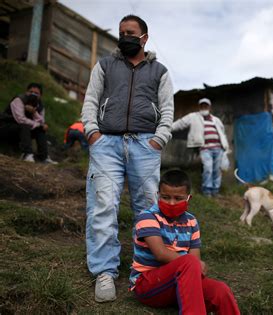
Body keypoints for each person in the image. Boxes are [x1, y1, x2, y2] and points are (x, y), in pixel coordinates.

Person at [81, 15, 174, 302]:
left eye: (130, 33)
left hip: (145, 146)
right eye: (121, 33)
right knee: (102, 206)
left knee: (147, 210)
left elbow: (167, 109)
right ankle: (105, 271)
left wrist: (159, 139)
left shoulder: (160, 71)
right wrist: (92, 133)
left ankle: (144, 269)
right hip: (106, 144)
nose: (124, 37)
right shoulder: (105, 65)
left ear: (144, 38)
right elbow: (90, 100)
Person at [130, 169, 240, 314]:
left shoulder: (191, 222)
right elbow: (160, 254)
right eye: (165, 197)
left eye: (178, 198)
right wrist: (191, 263)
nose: (171, 202)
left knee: (221, 291)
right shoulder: (148, 217)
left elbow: (195, 265)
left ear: (188, 198)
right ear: (157, 195)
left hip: (177, 285)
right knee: (189, 262)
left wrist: (193, 265)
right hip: (148, 284)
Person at [171, 98, 229, 197]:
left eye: (206, 105)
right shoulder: (193, 116)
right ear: (199, 107)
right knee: (208, 168)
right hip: (205, 148)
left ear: (209, 107)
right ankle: (207, 191)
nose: (204, 107)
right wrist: (166, 128)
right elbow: (180, 123)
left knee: (217, 170)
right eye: (202, 105)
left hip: (218, 148)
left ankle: (215, 191)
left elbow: (222, 133)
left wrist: (225, 146)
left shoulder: (216, 120)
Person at [0, 83, 57, 164]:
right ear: (26, 92)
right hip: (6, 127)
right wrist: (38, 124)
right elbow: (21, 119)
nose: (33, 94)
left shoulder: (40, 106)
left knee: (41, 129)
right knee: (26, 125)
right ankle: (27, 154)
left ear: (40, 95)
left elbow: (41, 122)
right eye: (31, 92)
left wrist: (34, 112)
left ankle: (43, 157)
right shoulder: (19, 100)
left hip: (22, 131)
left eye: (36, 93)